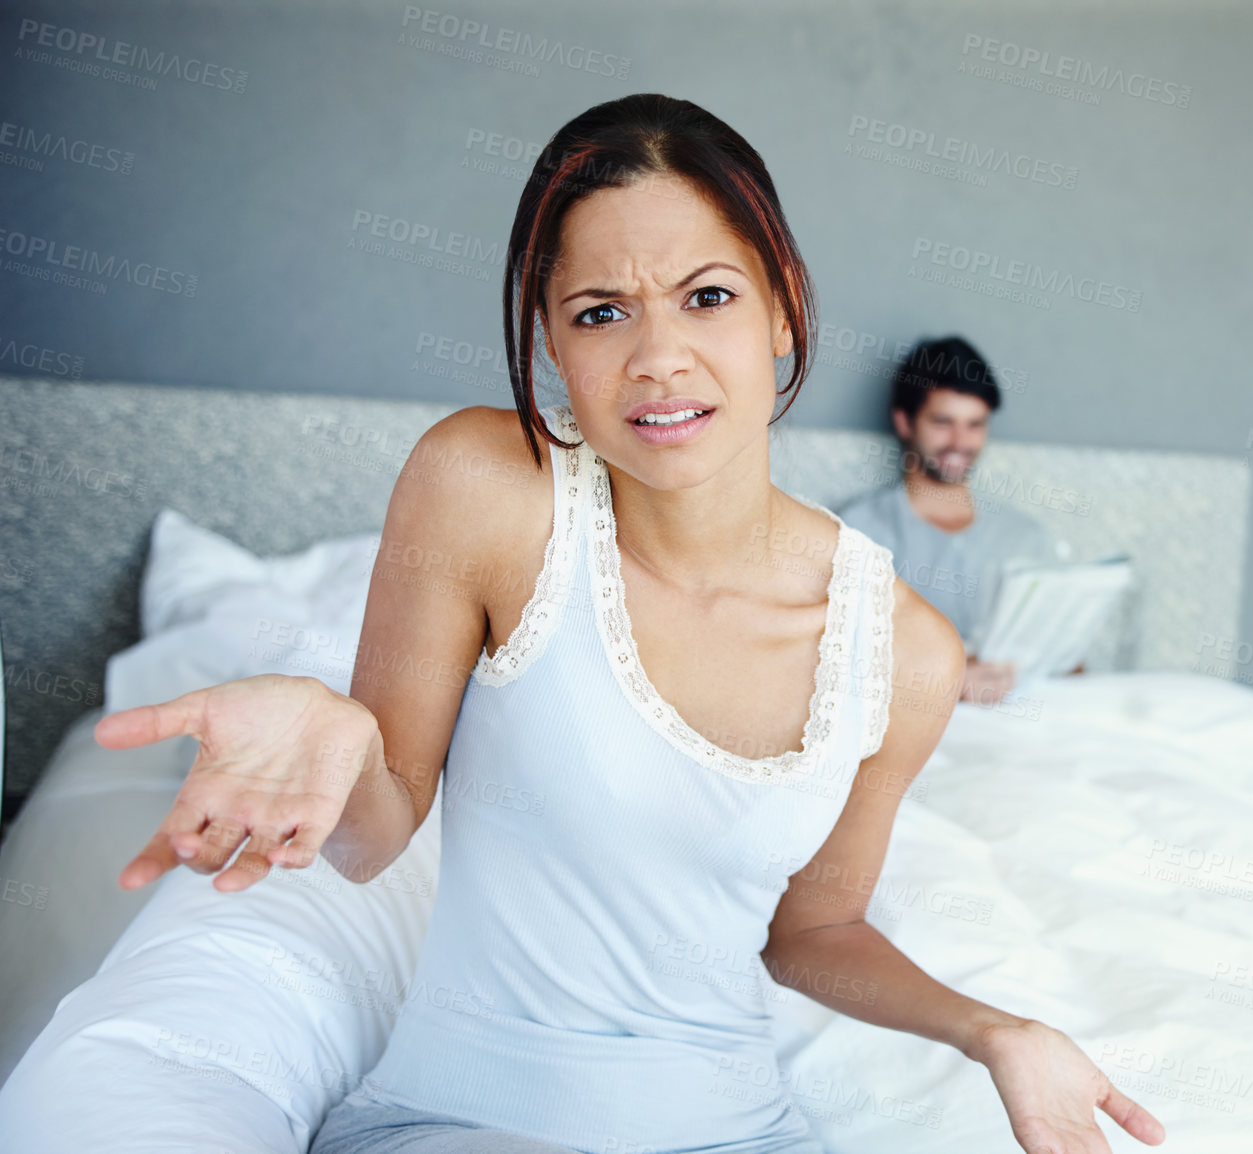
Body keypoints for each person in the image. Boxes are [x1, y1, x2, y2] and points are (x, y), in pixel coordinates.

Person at [94, 95, 1163, 1154]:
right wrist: (331, 728)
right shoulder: (486, 484)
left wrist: (999, 1031)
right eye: (601, 311)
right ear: (551, 339)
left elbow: (813, 933)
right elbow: (377, 835)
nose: (658, 356)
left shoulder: (907, 651)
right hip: (466, 1121)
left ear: (784, 308)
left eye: (707, 296)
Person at [837, 337, 1072, 707]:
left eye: (975, 424)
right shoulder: (858, 531)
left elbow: (1067, 662)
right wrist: (946, 682)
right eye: (943, 422)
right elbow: (833, 659)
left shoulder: (1025, 537)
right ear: (904, 422)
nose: (960, 442)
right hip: (915, 735)